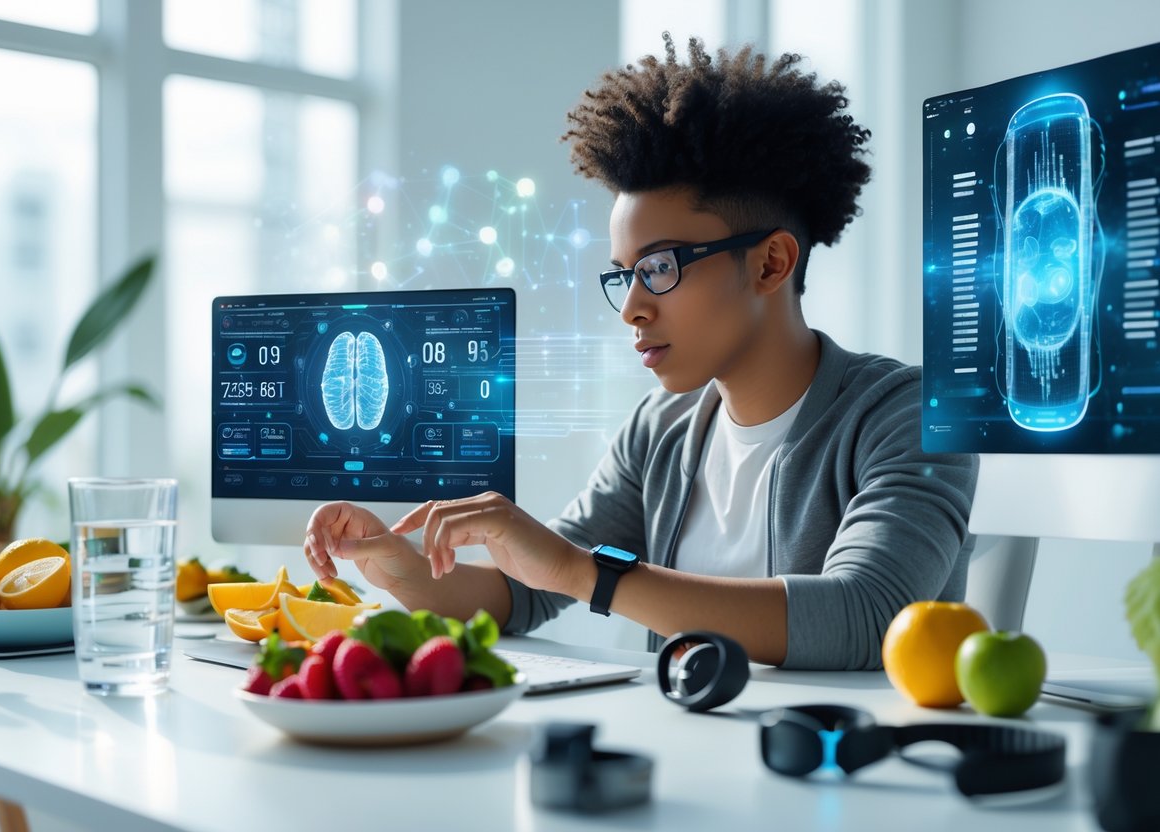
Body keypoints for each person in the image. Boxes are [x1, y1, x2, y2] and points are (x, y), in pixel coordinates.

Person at [304, 35, 978, 670]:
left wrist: (580, 569)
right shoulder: (659, 429)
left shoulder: (906, 413)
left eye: (659, 267)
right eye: (622, 274)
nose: (631, 305)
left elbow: (867, 617)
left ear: (770, 263)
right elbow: (530, 593)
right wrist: (400, 567)